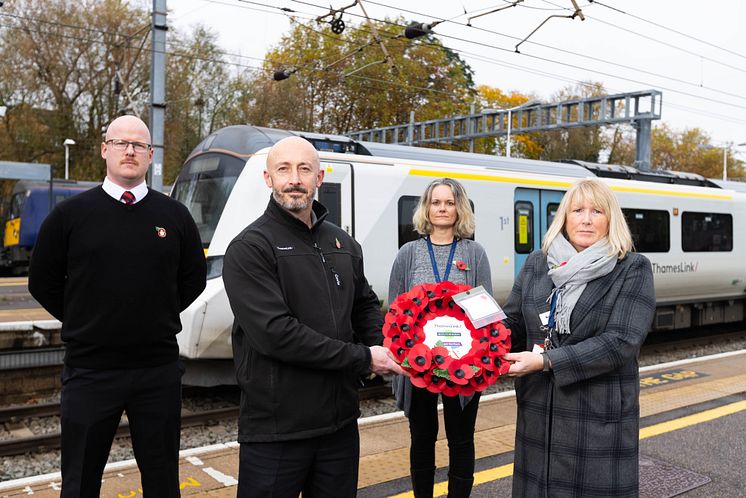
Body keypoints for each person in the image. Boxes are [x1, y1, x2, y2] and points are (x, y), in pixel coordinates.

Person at [28, 115, 207, 497]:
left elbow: (193, 279)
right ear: (105, 149)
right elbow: (41, 281)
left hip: (157, 372)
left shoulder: (174, 216)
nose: (130, 150)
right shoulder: (69, 216)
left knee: (162, 480)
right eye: (121, 143)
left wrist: (154, 314)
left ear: (150, 155)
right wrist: (85, 318)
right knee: (79, 481)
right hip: (90, 371)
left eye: (139, 145)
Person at [222, 136, 405, 498]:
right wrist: (364, 358)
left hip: (338, 426)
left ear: (320, 177)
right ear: (268, 178)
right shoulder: (250, 248)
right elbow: (276, 334)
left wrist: (387, 345)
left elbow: (364, 304)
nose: (294, 179)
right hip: (277, 431)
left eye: (304, 169)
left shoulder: (343, 244)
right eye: (284, 169)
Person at [502, 178, 655, 497]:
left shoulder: (631, 269)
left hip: (597, 419)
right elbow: (514, 321)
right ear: (564, 217)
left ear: (610, 220)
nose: (586, 219)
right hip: (538, 415)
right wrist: (472, 338)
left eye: (597, 211)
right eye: (578, 210)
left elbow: (620, 343)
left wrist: (546, 361)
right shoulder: (536, 263)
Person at [388, 178, 492, 498]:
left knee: (461, 439)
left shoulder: (474, 253)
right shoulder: (408, 254)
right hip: (419, 366)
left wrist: (479, 356)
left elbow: (486, 314)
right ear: (427, 208)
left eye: (449, 202)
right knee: (422, 438)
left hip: (463, 365)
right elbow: (395, 310)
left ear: (459, 208)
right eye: (436, 202)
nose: (442, 209)